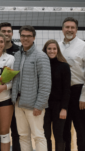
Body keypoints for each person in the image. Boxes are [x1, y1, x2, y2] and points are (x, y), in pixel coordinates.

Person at [11, 25, 51, 151]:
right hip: (18, 103)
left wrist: (39, 105)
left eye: (28, 36)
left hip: (34, 105)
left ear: (33, 38)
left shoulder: (41, 56)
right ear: (20, 37)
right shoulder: (17, 55)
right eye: (23, 35)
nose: (25, 38)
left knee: (38, 136)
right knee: (23, 136)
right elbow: (15, 79)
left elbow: (45, 84)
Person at [59, 17, 85, 151]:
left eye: (72, 27)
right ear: (62, 29)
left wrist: (84, 96)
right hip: (62, 93)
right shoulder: (57, 46)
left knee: (81, 129)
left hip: (78, 91)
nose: (69, 30)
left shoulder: (83, 46)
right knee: (64, 129)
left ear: (76, 30)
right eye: (67, 27)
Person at [0, 22, 20, 151]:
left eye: (9, 31)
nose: (6, 34)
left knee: (17, 131)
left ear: (12, 33)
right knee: (0, 131)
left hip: (15, 98)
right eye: (3, 31)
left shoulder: (19, 51)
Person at [42, 39, 71, 151]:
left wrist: (64, 108)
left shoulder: (64, 66)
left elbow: (67, 89)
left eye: (54, 49)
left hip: (59, 106)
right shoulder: (42, 65)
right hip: (44, 105)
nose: (52, 51)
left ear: (58, 50)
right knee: (46, 135)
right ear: (45, 50)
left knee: (59, 135)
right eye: (49, 48)